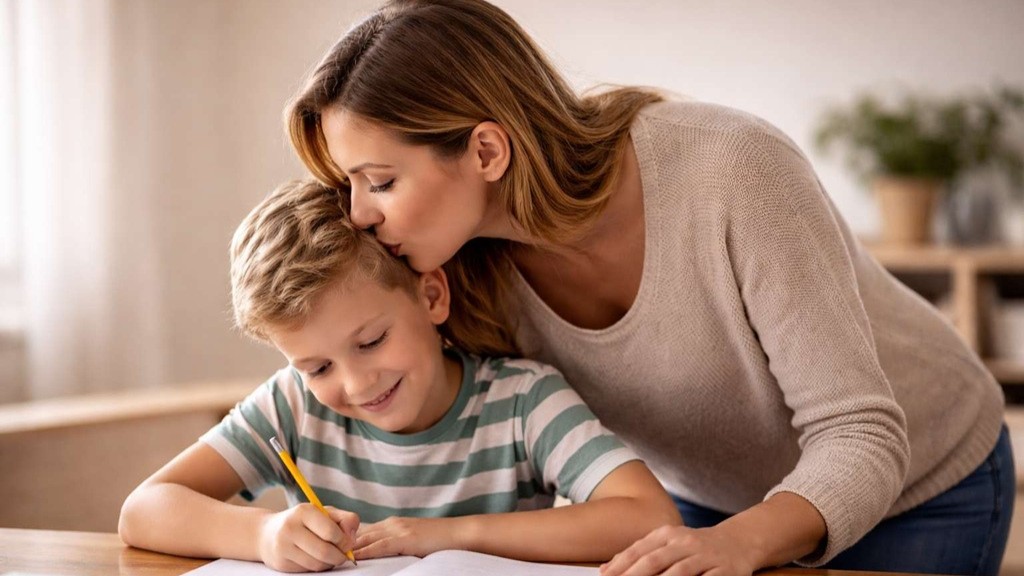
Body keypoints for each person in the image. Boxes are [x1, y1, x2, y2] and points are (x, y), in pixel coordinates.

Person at [283, 1, 1015, 575]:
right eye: (350, 184)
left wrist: (742, 540)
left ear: (486, 150)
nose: (359, 213)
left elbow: (860, 433)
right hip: (707, 504)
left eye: (381, 181)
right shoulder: (456, 270)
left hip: (920, 484)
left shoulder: (732, 170)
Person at [117, 179, 681, 573]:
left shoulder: (523, 401)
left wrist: (445, 536)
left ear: (431, 296)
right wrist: (262, 534)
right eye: (317, 367)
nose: (357, 385)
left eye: (371, 342)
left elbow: (647, 517)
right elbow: (144, 510)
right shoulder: (293, 406)